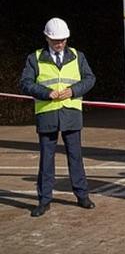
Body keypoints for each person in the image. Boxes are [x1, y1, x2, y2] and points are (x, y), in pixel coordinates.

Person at [20, 17, 96, 217]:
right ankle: (44, 200)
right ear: (47, 38)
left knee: (76, 157)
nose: (60, 43)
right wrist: (46, 93)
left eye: (63, 40)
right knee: (47, 159)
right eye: (55, 40)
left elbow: (90, 79)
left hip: (71, 113)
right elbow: (25, 83)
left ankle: (82, 196)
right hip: (47, 114)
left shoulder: (77, 56)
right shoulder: (34, 58)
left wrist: (73, 91)